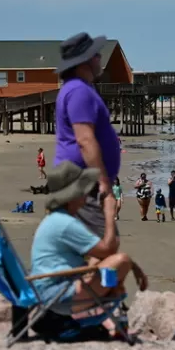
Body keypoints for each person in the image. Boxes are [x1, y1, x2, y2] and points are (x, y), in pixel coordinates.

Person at [29, 163, 148, 342]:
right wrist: (109, 210)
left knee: (99, 260)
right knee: (121, 261)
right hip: (58, 296)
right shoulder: (65, 223)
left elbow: (99, 254)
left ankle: (113, 315)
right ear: (72, 196)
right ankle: (115, 314)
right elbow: (109, 248)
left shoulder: (56, 218)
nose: (88, 192)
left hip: (48, 289)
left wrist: (134, 266)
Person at [53, 32, 121, 234]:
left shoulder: (78, 88)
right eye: (96, 55)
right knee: (104, 242)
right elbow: (84, 139)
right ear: (85, 62)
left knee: (90, 249)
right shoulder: (78, 91)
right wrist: (103, 183)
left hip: (79, 180)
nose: (100, 58)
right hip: (82, 182)